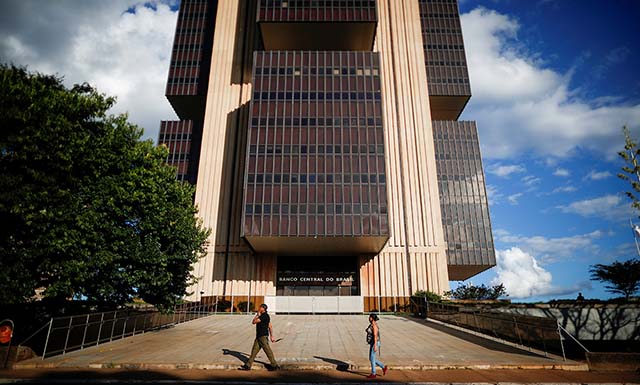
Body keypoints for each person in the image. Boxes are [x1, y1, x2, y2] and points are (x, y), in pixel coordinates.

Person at [239, 304, 280, 371]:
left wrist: (257, 315)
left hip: (263, 336)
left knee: (268, 351)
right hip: (259, 337)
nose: (259, 308)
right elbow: (270, 326)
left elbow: (254, 322)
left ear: (263, 308)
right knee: (254, 352)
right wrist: (272, 336)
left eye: (260, 307)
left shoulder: (264, 316)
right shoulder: (266, 316)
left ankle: (274, 365)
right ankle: (248, 365)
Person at [365, 313, 388, 379]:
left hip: (375, 343)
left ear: (372, 318)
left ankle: (373, 373)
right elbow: (370, 331)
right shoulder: (371, 325)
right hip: (372, 343)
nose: (369, 318)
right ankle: (383, 367)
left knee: (372, 358)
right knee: (371, 358)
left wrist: (375, 346)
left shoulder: (374, 326)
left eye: (369, 317)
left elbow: (375, 336)